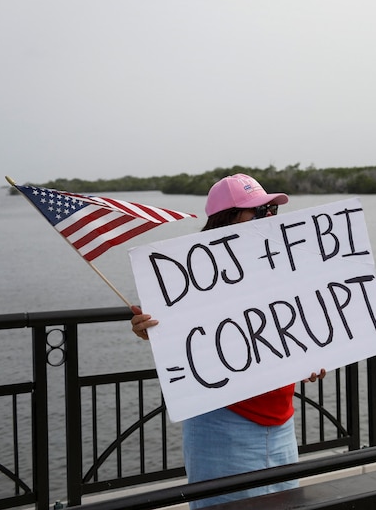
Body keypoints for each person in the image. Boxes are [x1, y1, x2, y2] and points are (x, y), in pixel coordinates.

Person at [130, 173, 326, 508]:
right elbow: (179, 337)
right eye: (257, 210)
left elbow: (290, 328)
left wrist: (311, 358)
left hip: (281, 421)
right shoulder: (190, 273)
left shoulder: (279, 265)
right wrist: (150, 328)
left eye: (270, 210)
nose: (268, 216)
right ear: (226, 218)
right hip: (222, 420)